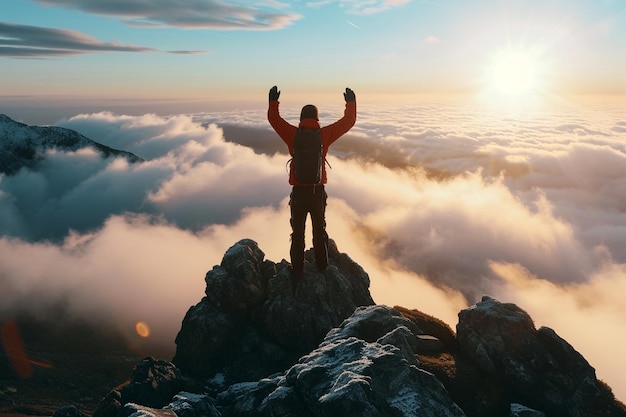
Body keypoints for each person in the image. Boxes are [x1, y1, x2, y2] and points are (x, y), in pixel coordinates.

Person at [268, 85, 357, 278]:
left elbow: (274, 120)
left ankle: (297, 270)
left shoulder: (293, 135)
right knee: (320, 229)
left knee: (297, 233)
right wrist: (351, 103)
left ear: (301, 118)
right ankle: (322, 266)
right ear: (317, 118)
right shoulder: (323, 136)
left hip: (299, 193)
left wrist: (273, 102)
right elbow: (348, 122)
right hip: (317, 192)